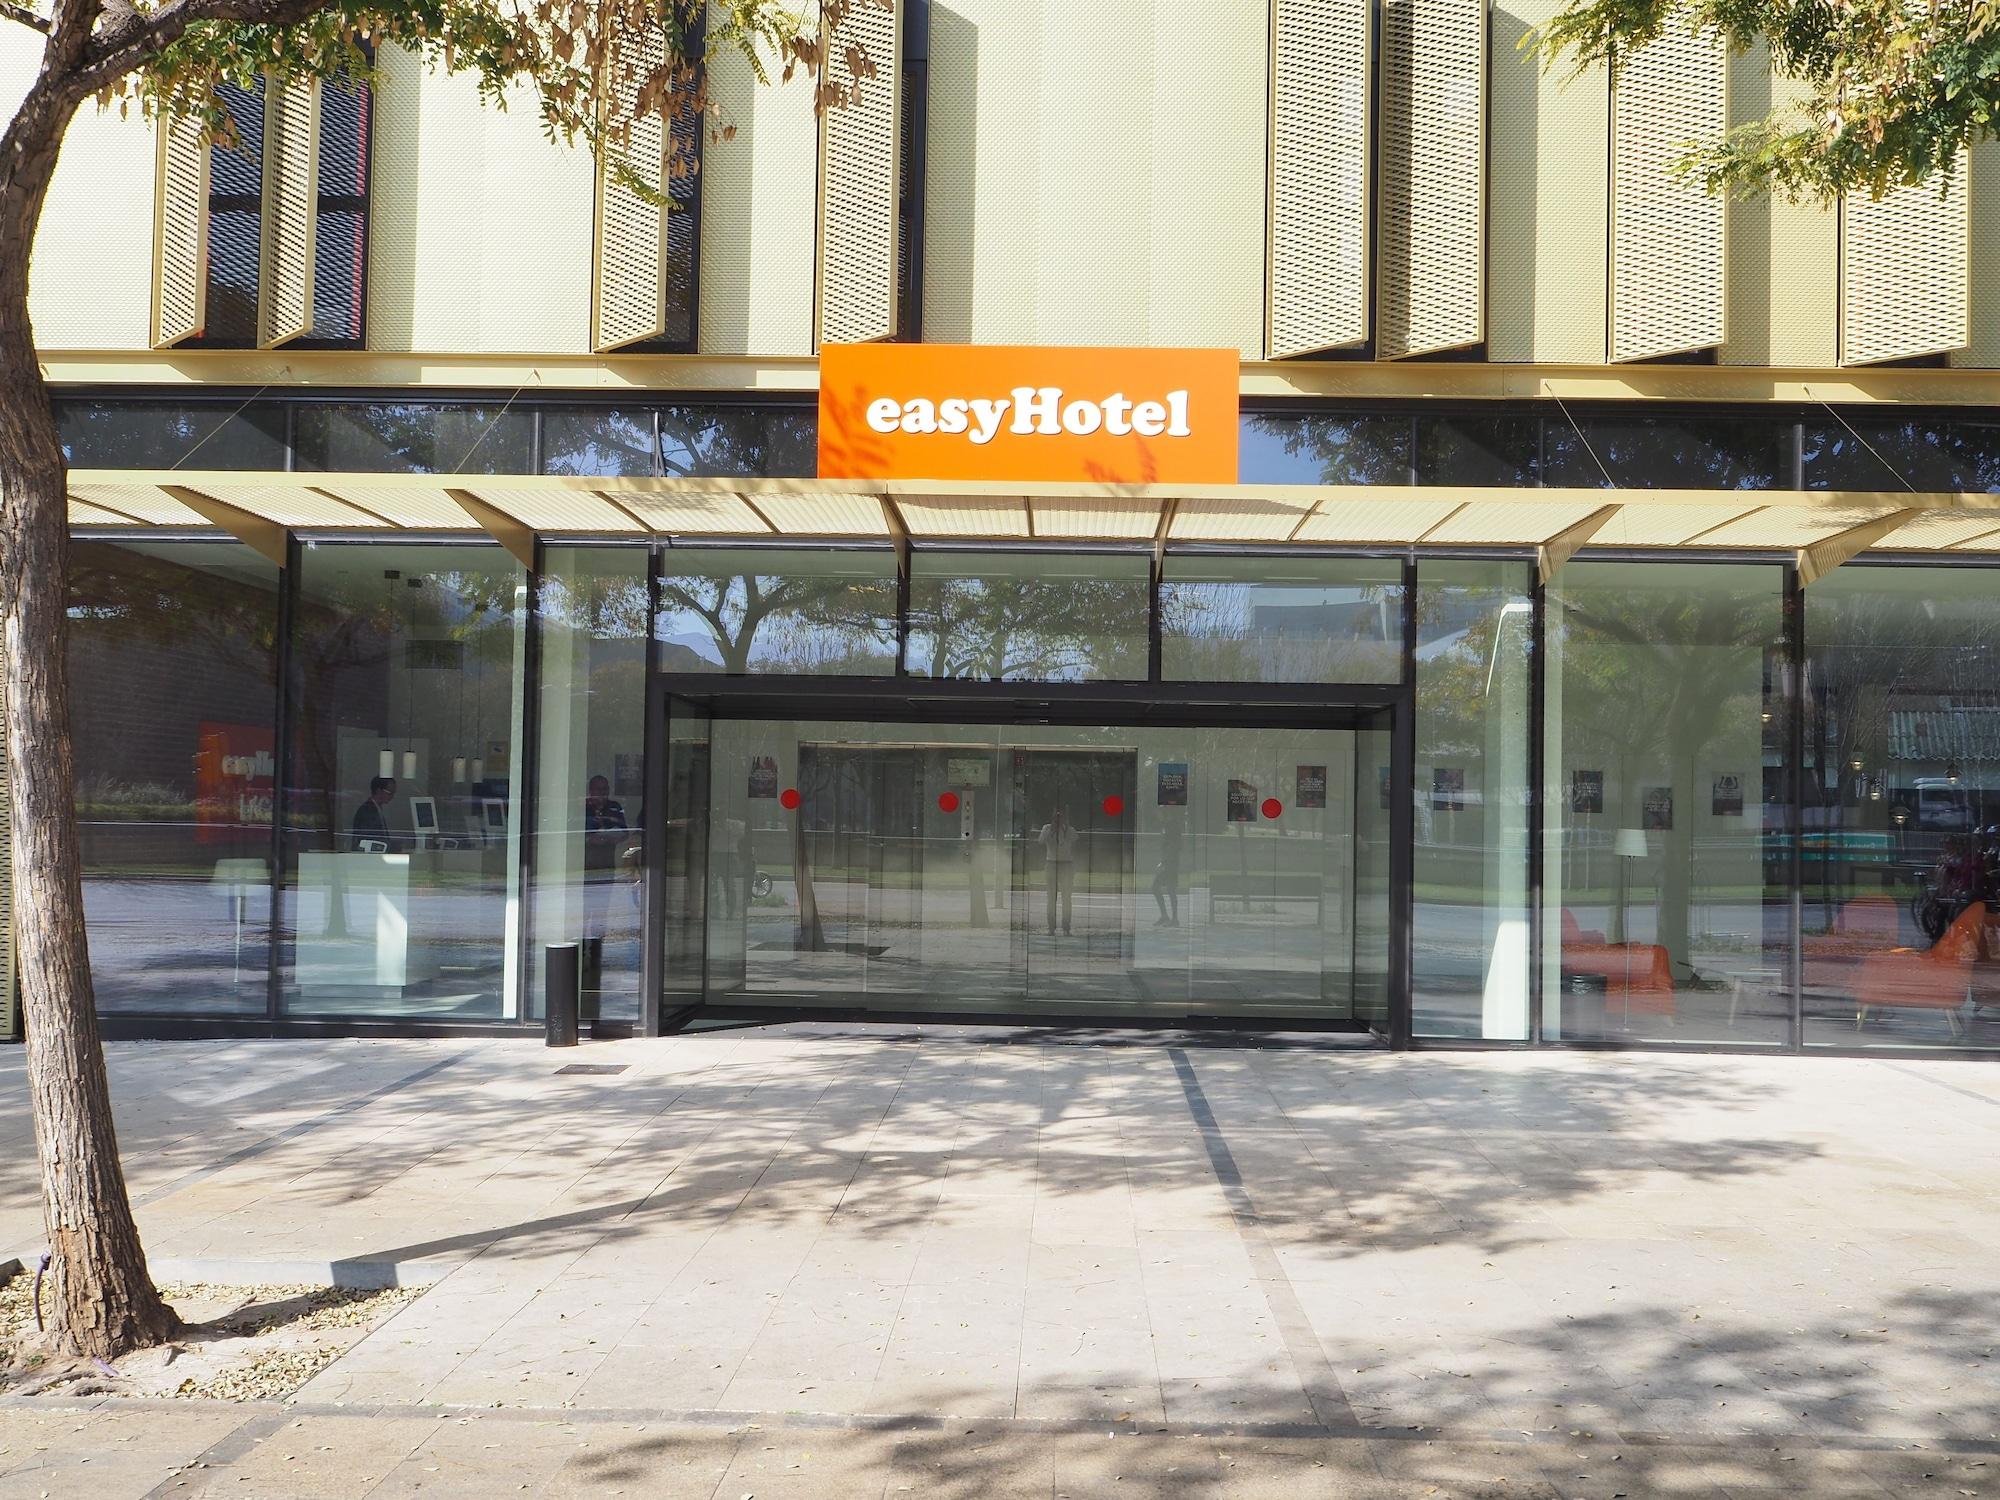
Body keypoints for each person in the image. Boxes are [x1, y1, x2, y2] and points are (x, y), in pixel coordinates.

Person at [1039, 805, 1077, 936]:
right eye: (1056, 816)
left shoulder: (1070, 830)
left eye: (1061, 816)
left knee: (1066, 897)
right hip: (1051, 863)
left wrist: (1065, 827)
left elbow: (1074, 840)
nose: (1059, 819)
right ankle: (1051, 927)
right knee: (1051, 898)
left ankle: (1066, 927)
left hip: (1066, 864)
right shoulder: (1046, 828)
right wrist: (1052, 830)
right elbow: (1041, 841)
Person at [1152, 811, 1183, 927]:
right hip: (1170, 863)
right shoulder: (1169, 825)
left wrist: (1163, 862)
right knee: (1165, 889)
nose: (1158, 815)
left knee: (1167, 889)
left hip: (1170, 864)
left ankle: (1173, 918)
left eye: (1160, 813)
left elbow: (1172, 846)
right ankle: (1168, 917)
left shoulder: (1171, 826)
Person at [351, 777, 396, 849]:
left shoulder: (376, 808)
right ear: (379, 791)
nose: (392, 796)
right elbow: (369, 838)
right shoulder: (367, 811)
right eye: (390, 793)